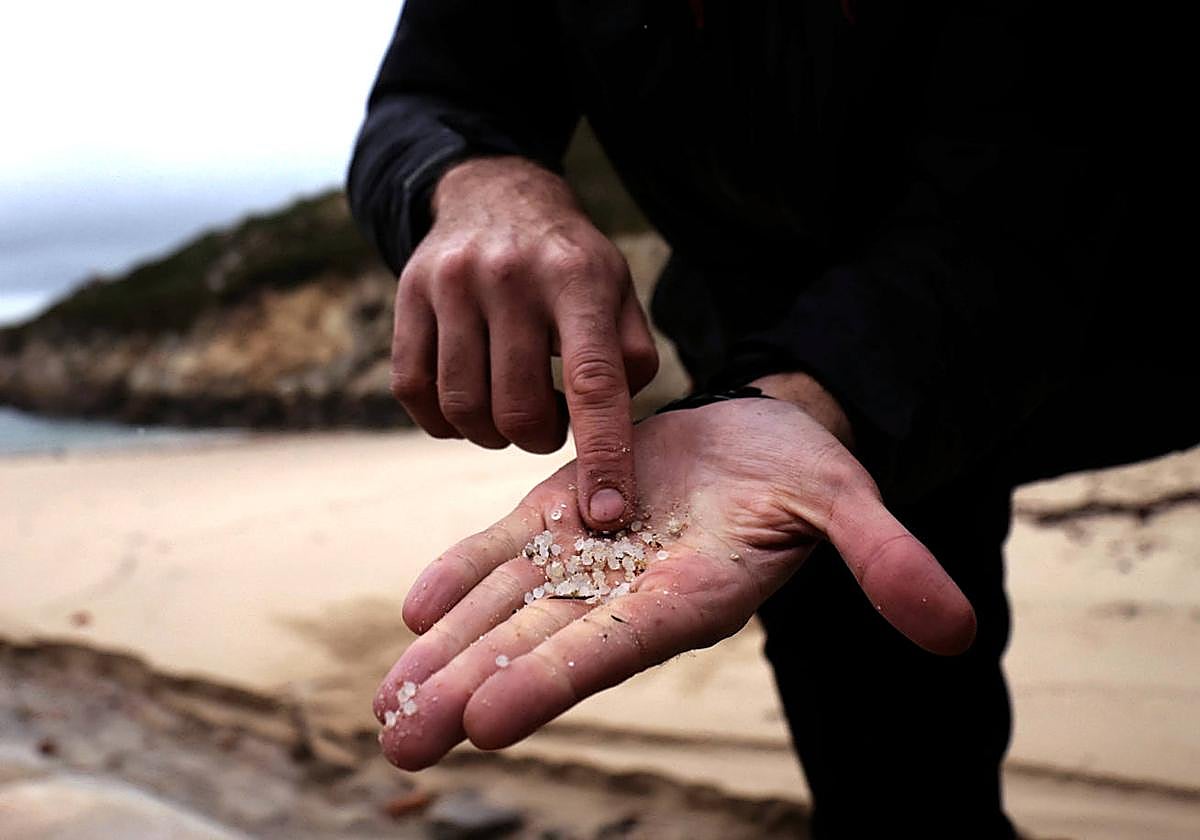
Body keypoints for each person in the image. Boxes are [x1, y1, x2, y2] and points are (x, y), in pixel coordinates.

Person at [347, 2, 1195, 837]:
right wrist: (471, 177)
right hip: (757, 415)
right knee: (893, 788)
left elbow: (1034, 173)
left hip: (1080, 307)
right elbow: (427, 93)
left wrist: (822, 388)